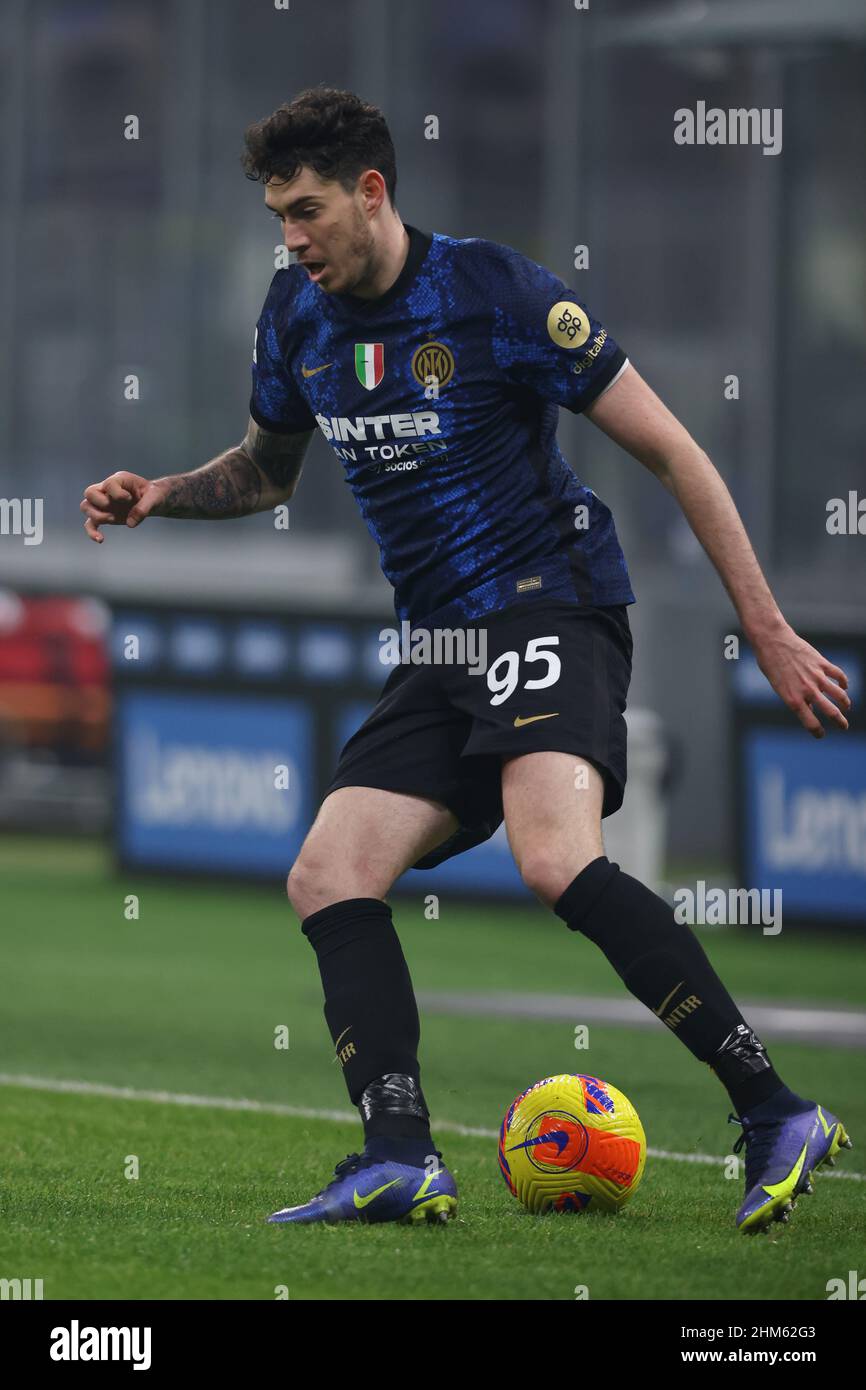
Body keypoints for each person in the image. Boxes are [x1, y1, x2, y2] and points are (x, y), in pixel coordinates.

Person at [81, 87, 853, 1232]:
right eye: (277, 220)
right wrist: (162, 496)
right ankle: (398, 1153)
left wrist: (770, 628)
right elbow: (266, 470)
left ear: (371, 192)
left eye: (304, 212)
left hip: (552, 605)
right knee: (327, 873)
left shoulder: (496, 294)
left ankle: (772, 1107)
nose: (290, 240)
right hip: (438, 643)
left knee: (553, 861)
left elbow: (673, 452)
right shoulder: (296, 315)